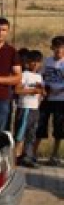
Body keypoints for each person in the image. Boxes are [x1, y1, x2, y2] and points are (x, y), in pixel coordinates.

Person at [34, 36, 64, 166]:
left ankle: (54, 155)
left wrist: (61, 90)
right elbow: (41, 76)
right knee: (41, 125)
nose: (59, 50)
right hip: (47, 98)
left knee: (59, 128)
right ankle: (33, 153)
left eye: (62, 47)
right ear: (52, 48)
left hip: (61, 99)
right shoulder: (47, 61)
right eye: (56, 47)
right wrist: (44, 88)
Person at [14, 50, 45, 168]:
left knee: (31, 134)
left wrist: (42, 91)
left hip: (35, 108)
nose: (36, 65)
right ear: (27, 62)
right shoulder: (24, 74)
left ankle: (27, 156)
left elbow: (41, 92)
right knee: (20, 134)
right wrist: (32, 91)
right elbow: (17, 90)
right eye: (33, 62)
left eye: (38, 62)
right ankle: (15, 156)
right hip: (25, 107)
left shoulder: (39, 76)